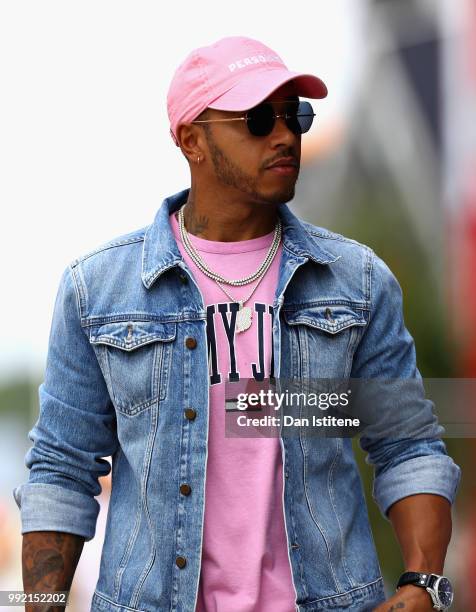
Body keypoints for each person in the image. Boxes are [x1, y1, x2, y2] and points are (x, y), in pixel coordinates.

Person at [13, 36, 461, 612]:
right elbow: (61, 470)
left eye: (294, 115)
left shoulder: (358, 282)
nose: (284, 135)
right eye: (256, 118)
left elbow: (407, 445)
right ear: (191, 139)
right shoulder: (97, 291)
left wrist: (424, 586)